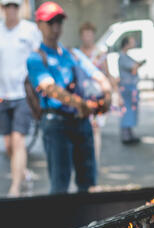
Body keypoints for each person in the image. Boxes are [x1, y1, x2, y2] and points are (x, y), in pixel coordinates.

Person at [26, 2, 111, 194]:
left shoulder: (72, 54)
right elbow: (50, 88)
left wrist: (108, 94)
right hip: (56, 123)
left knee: (88, 182)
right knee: (60, 184)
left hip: (81, 122)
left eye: (58, 22)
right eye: (50, 23)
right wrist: (79, 103)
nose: (55, 28)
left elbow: (96, 74)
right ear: (39, 24)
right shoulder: (36, 58)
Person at [0, 0, 41, 197]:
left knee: (18, 142)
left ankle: (15, 187)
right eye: (8, 6)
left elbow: (39, 55)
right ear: (3, 9)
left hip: (23, 94)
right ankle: (24, 174)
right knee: (7, 145)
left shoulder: (29, 30)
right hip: (2, 95)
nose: (11, 10)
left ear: (19, 8)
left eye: (14, 6)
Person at [79, 22, 115, 167]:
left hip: (98, 96)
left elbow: (108, 74)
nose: (87, 37)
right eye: (85, 34)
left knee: (95, 129)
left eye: (90, 34)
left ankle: (94, 161)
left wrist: (113, 93)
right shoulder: (77, 54)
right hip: (82, 96)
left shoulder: (100, 54)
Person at [118, 36, 144, 144]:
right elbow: (134, 68)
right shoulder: (123, 57)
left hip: (130, 87)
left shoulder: (126, 56)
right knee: (127, 111)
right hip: (127, 88)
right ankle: (126, 136)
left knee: (131, 111)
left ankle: (129, 134)